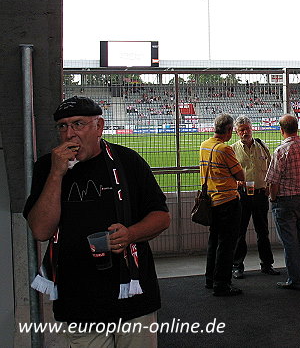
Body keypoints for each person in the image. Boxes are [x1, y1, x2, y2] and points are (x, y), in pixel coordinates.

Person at [24, 96, 170, 347]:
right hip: (77, 299)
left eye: (78, 124)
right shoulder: (47, 167)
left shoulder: (127, 161)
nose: (69, 133)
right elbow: (40, 230)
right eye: (62, 126)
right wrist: (57, 174)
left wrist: (131, 234)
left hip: (132, 295)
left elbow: (161, 216)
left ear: (99, 127)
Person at [266, 113, 300, 290]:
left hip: (285, 200)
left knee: (290, 240)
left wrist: (273, 199)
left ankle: (294, 279)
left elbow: (273, 181)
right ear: (298, 127)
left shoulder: (281, 151)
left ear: (281, 130)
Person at [200, 113, 245, 296]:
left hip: (212, 200)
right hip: (227, 201)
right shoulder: (225, 150)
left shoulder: (204, 146)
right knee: (227, 244)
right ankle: (222, 284)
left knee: (214, 241)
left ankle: (210, 279)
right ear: (228, 130)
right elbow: (240, 175)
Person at [231, 115, 280, 279]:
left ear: (252, 129)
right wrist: (236, 183)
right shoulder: (232, 150)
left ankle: (267, 264)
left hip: (260, 195)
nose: (246, 132)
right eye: (242, 130)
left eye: (248, 128)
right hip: (242, 196)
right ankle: (237, 266)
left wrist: (268, 187)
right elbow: (228, 174)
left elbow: (271, 168)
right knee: (240, 232)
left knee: (263, 232)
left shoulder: (262, 146)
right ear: (237, 132)